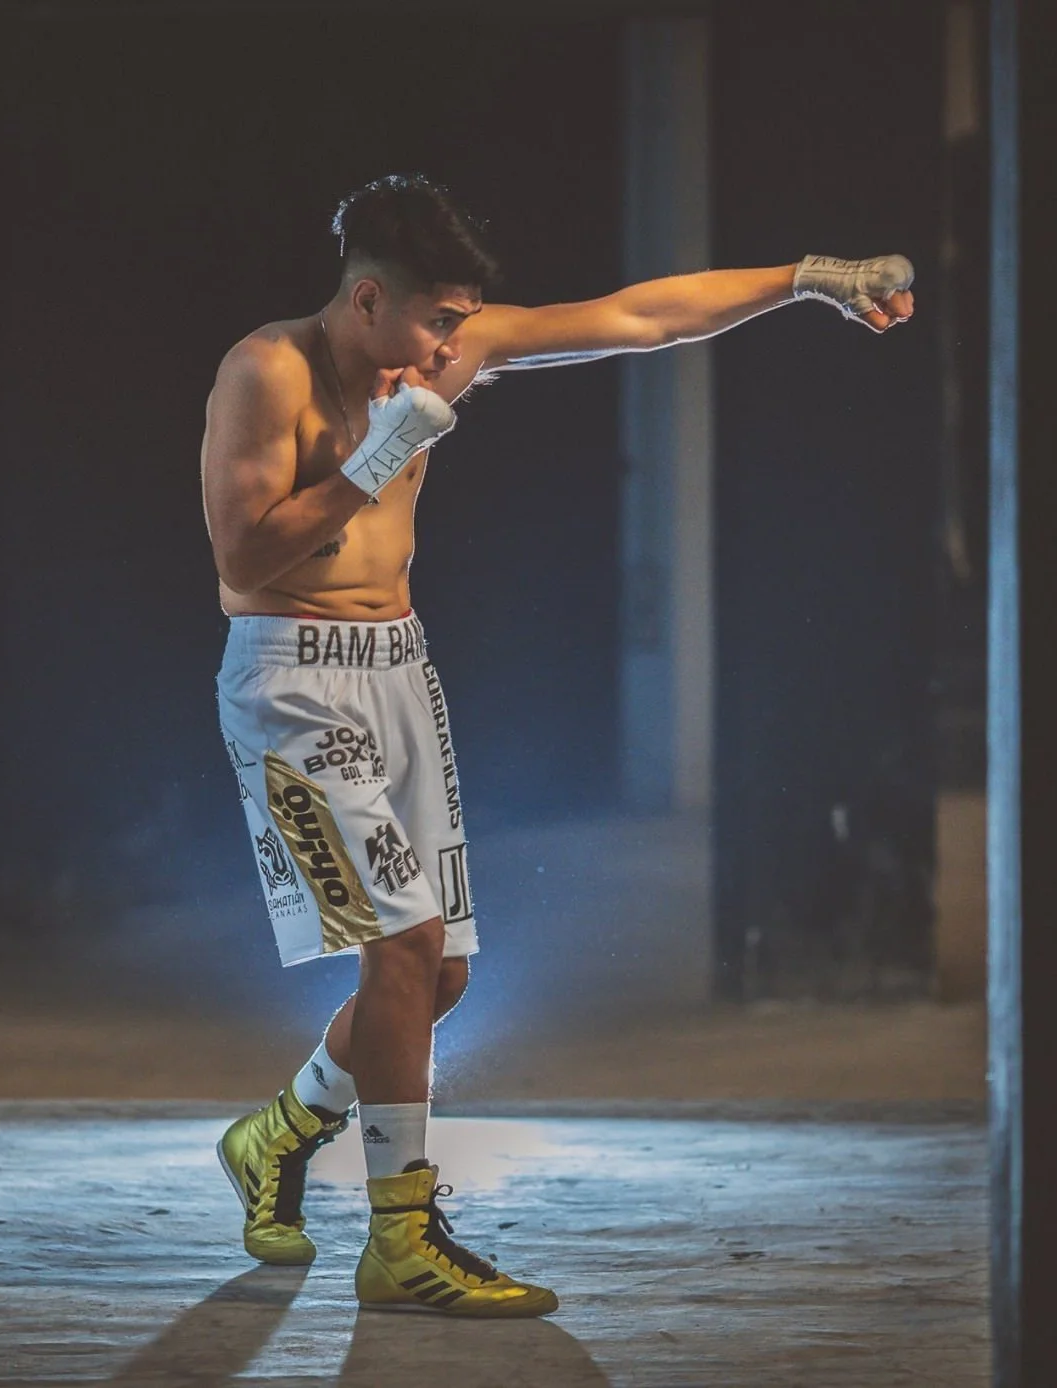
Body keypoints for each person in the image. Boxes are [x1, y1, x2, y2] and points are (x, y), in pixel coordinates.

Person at [202, 173, 914, 1318]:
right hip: (290, 677)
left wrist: (802, 282)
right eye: (436, 319)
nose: (451, 344)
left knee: (436, 976)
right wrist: (376, 458)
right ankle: (400, 1233)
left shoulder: (442, 350)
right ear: (368, 297)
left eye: (461, 320)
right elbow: (244, 561)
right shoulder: (266, 371)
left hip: (398, 670)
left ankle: (277, 1134)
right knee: (401, 946)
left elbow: (641, 315)